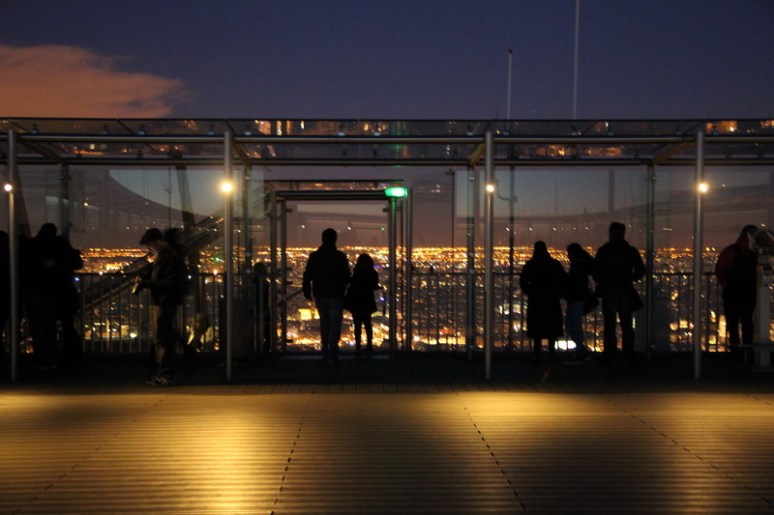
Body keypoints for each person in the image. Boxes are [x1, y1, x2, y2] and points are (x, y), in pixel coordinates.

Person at [135, 228, 187, 386]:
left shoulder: (167, 257)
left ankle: (166, 373)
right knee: (163, 336)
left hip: (165, 301)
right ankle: (164, 372)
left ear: (156, 242)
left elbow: (169, 281)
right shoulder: (167, 256)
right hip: (165, 301)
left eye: (150, 245)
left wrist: (147, 282)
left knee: (163, 338)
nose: (149, 248)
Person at [592, 222, 646, 361]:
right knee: (626, 324)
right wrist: (629, 278)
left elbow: (596, 273)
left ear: (610, 233)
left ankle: (610, 355)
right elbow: (641, 270)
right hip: (625, 290)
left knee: (609, 325)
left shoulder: (604, 251)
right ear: (623, 233)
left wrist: (605, 281)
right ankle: (629, 354)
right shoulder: (630, 251)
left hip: (609, 291)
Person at [302, 228, 350, 361]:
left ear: (322, 239)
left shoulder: (315, 256)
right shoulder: (340, 257)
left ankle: (325, 347)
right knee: (335, 322)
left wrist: (307, 290)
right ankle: (333, 348)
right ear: (335, 239)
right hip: (336, 293)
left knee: (324, 321)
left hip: (320, 293)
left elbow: (308, 275)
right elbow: (347, 276)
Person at [519, 241, 566, 361]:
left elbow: (523, 281)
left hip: (536, 300)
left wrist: (530, 291)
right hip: (551, 299)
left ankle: (537, 353)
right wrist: (557, 292)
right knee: (552, 327)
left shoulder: (531, 264)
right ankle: (552, 352)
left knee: (537, 328)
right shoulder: (554, 264)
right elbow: (563, 279)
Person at [715, 225, 758, 352]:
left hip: (732, 294)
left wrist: (726, 284)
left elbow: (719, 270)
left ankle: (735, 353)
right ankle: (748, 352)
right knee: (747, 324)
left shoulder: (730, 251)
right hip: (748, 294)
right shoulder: (754, 254)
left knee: (733, 325)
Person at [564, 243, 595, 363]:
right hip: (579, 298)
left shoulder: (577, 266)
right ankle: (581, 351)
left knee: (572, 326)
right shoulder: (583, 264)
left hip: (576, 298)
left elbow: (575, 283)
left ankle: (581, 353)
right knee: (574, 325)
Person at [344, 253, 380, 352]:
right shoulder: (373, 273)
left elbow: (351, 284)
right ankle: (369, 345)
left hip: (356, 301)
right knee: (368, 324)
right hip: (367, 301)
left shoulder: (357, 272)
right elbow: (374, 286)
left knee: (357, 325)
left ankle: (358, 347)